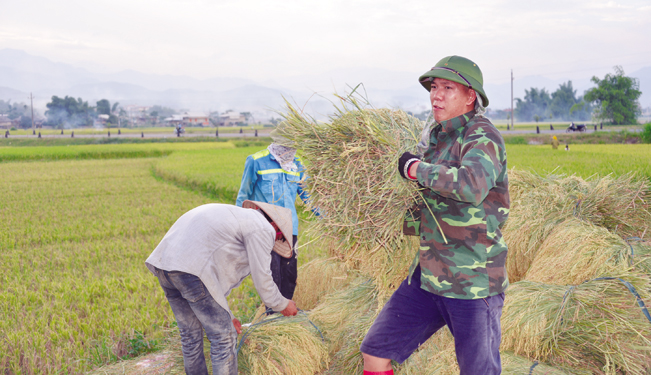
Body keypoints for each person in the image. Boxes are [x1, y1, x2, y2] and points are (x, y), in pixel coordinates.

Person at [361, 56, 510, 375]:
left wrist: (415, 169)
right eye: (433, 87)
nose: (436, 95)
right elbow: (420, 197)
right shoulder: (436, 137)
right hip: (429, 274)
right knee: (375, 353)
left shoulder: (483, 137)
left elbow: (471, 185)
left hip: (472, 281)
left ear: (471, 96)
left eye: (447, 88)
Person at [145, 201, 299, 375]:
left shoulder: (238, 218)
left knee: (190, 336)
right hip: (192, 271)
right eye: (278, 238)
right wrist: (283, 305)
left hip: (165, 266)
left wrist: (228, 315)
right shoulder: (263, 228)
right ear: (275, 226)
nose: (274, 241)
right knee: (223, 338)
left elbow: (213, 284)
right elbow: (263, 280)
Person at [235, 131, 310, 301]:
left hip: (289, 229)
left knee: (290, 275)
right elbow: (244, 195)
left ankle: (284, 313)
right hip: (264, 228)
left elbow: (308, 197)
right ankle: (272, 315)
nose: (290, 151)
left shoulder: (297, 165)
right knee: (272, 274)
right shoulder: (256, 161)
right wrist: (238, 227)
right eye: (287, 147)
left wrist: (329, 219)